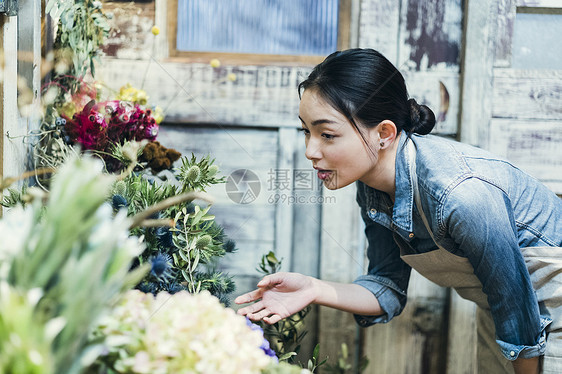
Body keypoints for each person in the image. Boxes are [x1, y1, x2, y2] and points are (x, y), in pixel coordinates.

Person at [234, 48, 562, 374]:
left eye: (327, 134)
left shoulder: (461, 194)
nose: (310, 150)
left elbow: (516, 307)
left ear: (384, 134)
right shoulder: (374, 185)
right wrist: (314, 288)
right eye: (307, 131)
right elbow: (386, 287)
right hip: (505, 320)